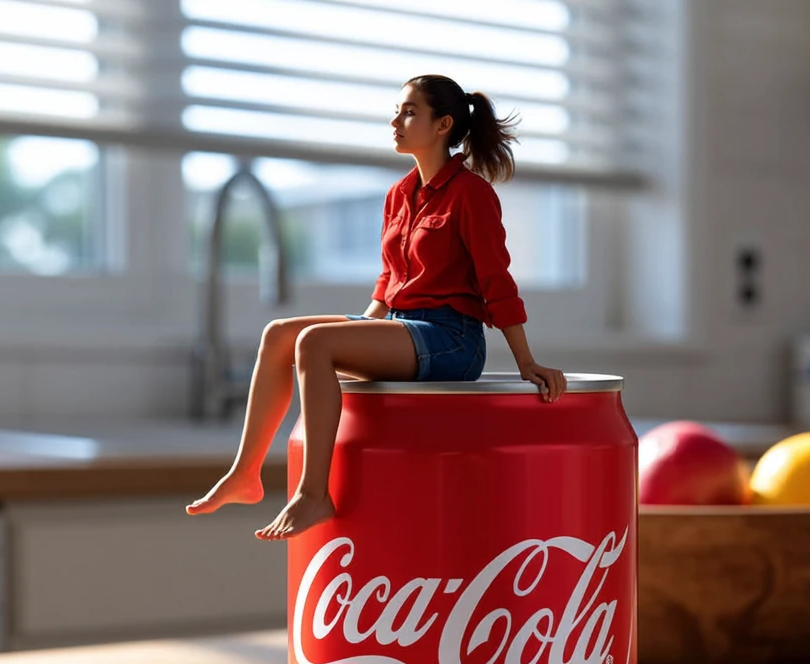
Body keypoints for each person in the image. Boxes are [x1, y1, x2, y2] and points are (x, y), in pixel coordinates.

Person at [187, 74, 567, 539]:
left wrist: (526, 361)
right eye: (397, 111)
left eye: (409, 112)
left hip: (452, 339)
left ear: (443, 124)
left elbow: (497, 282)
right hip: (404, 327)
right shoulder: (399, 194)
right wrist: (362, 334)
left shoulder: (472, 194)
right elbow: (389, 281)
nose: (395, 122)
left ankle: (312, 494)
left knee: (314, 343)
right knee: (280, 333)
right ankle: (245, 474)